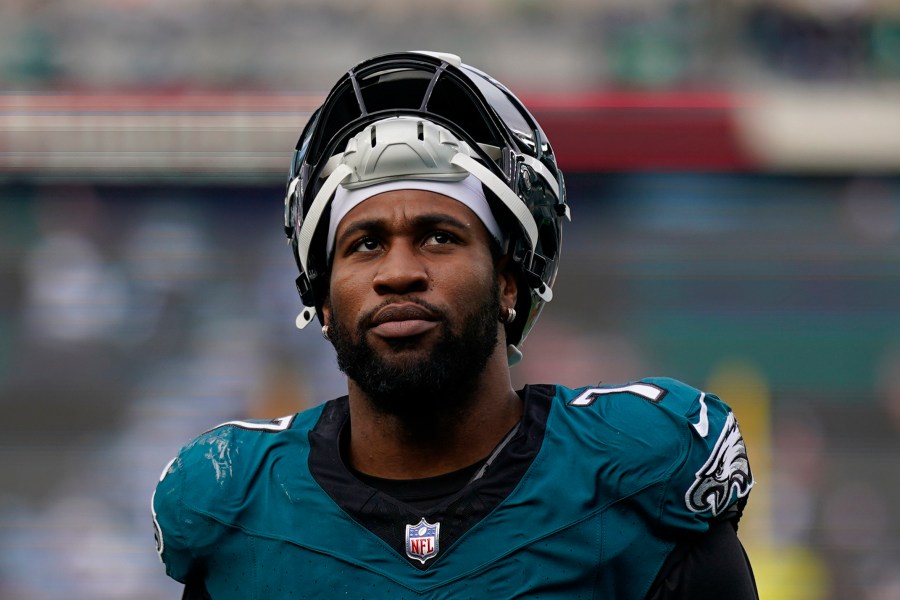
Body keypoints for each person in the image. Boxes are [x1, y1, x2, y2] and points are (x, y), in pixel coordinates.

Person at [152, 51, 758, 599]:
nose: (399, 273)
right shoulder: (238, 509)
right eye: (365, 244)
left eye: (439, 237)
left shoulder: (636, 484)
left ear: (508, 281)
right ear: (324, 298)